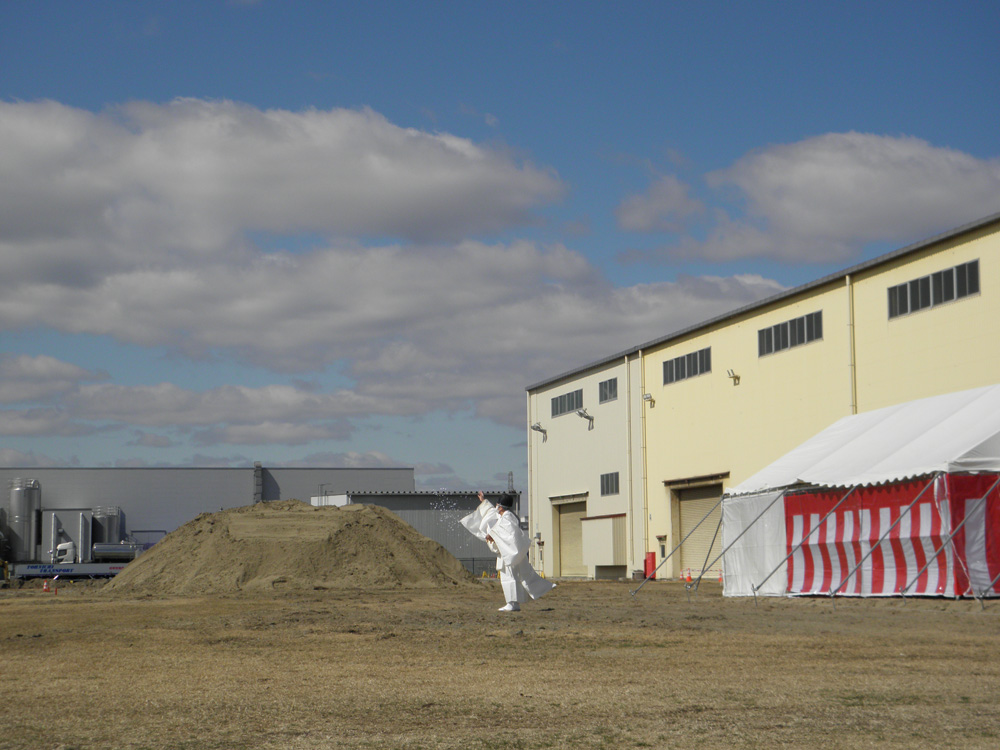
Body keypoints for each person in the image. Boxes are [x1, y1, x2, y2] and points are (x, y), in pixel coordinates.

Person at [461, 491, 555, 612]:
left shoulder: (508, 518)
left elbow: (505, 532)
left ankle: (512, 603)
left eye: (497, 505)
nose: (496, 507)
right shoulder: (504, 516)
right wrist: (483, 500)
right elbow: (491, 512)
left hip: (509, 553)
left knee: (510, 577)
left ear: (500, 506)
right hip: (506, 553)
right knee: (511, 577)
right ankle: (513, 603)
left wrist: (492, 535)